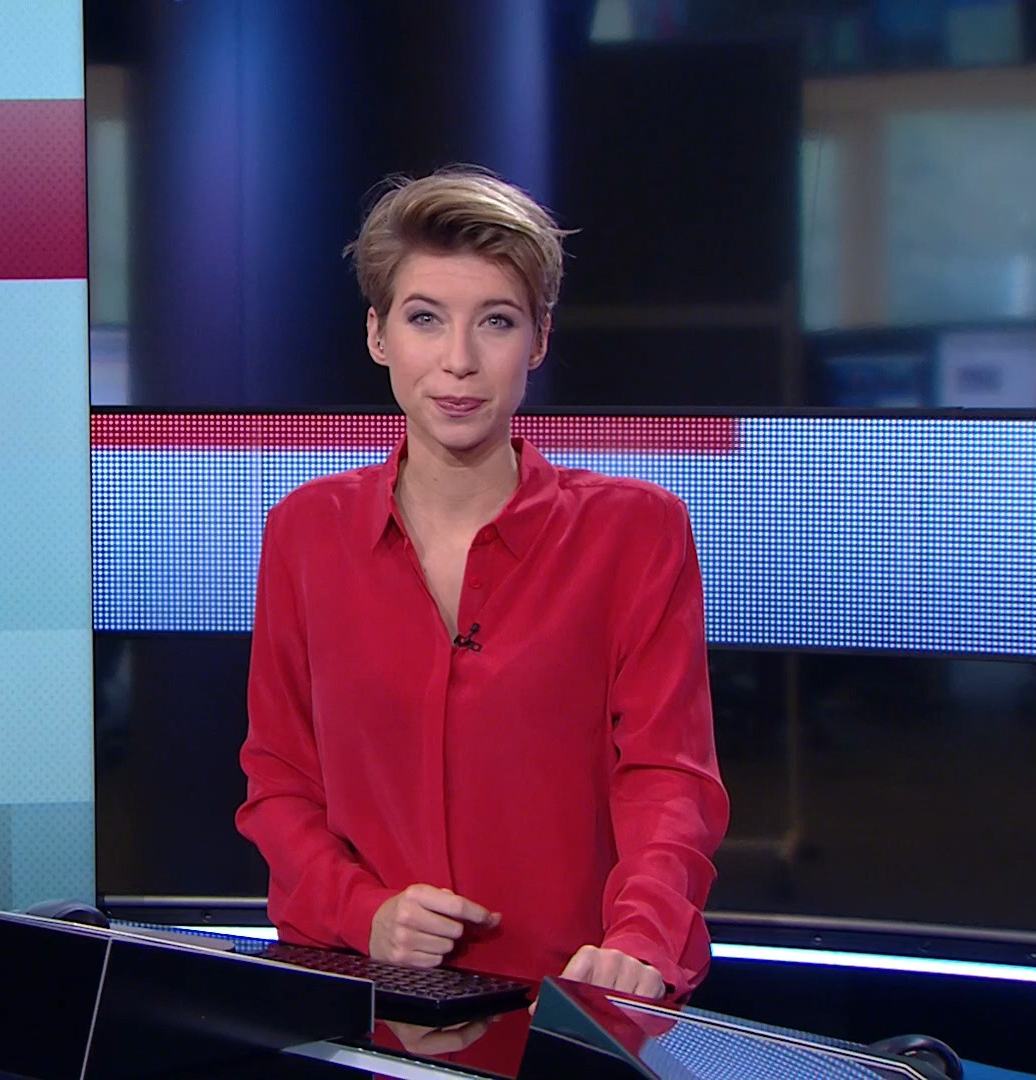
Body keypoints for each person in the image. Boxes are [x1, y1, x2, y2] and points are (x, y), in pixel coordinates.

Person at [234, 166, 730, 1008]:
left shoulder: (635, 532)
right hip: (364, 994)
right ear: (378, 335)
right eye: (425, 318)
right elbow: (280, 779)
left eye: (495, 321)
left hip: (568, 1002)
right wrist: (364, 913)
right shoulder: (306, 532)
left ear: (537, 341)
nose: (458, 362)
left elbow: (667, 776)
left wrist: (640, 939)